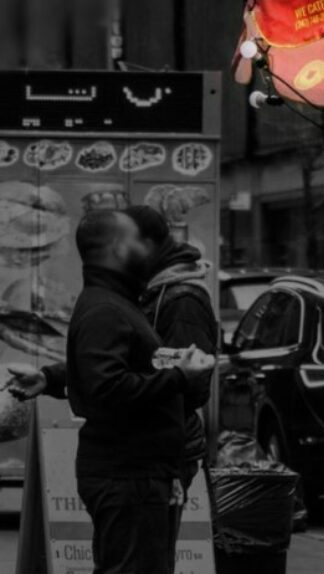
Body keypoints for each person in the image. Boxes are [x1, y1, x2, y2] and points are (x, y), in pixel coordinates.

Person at [7, 207, 218, 561]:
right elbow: (106, 387)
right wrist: (181, 375)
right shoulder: (108, 308)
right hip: (130, 473)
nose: (146, 248)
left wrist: (50, 377)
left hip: (139, 470)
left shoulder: (118, 302)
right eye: (136, 240)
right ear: (118, 249)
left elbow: (107, 370)